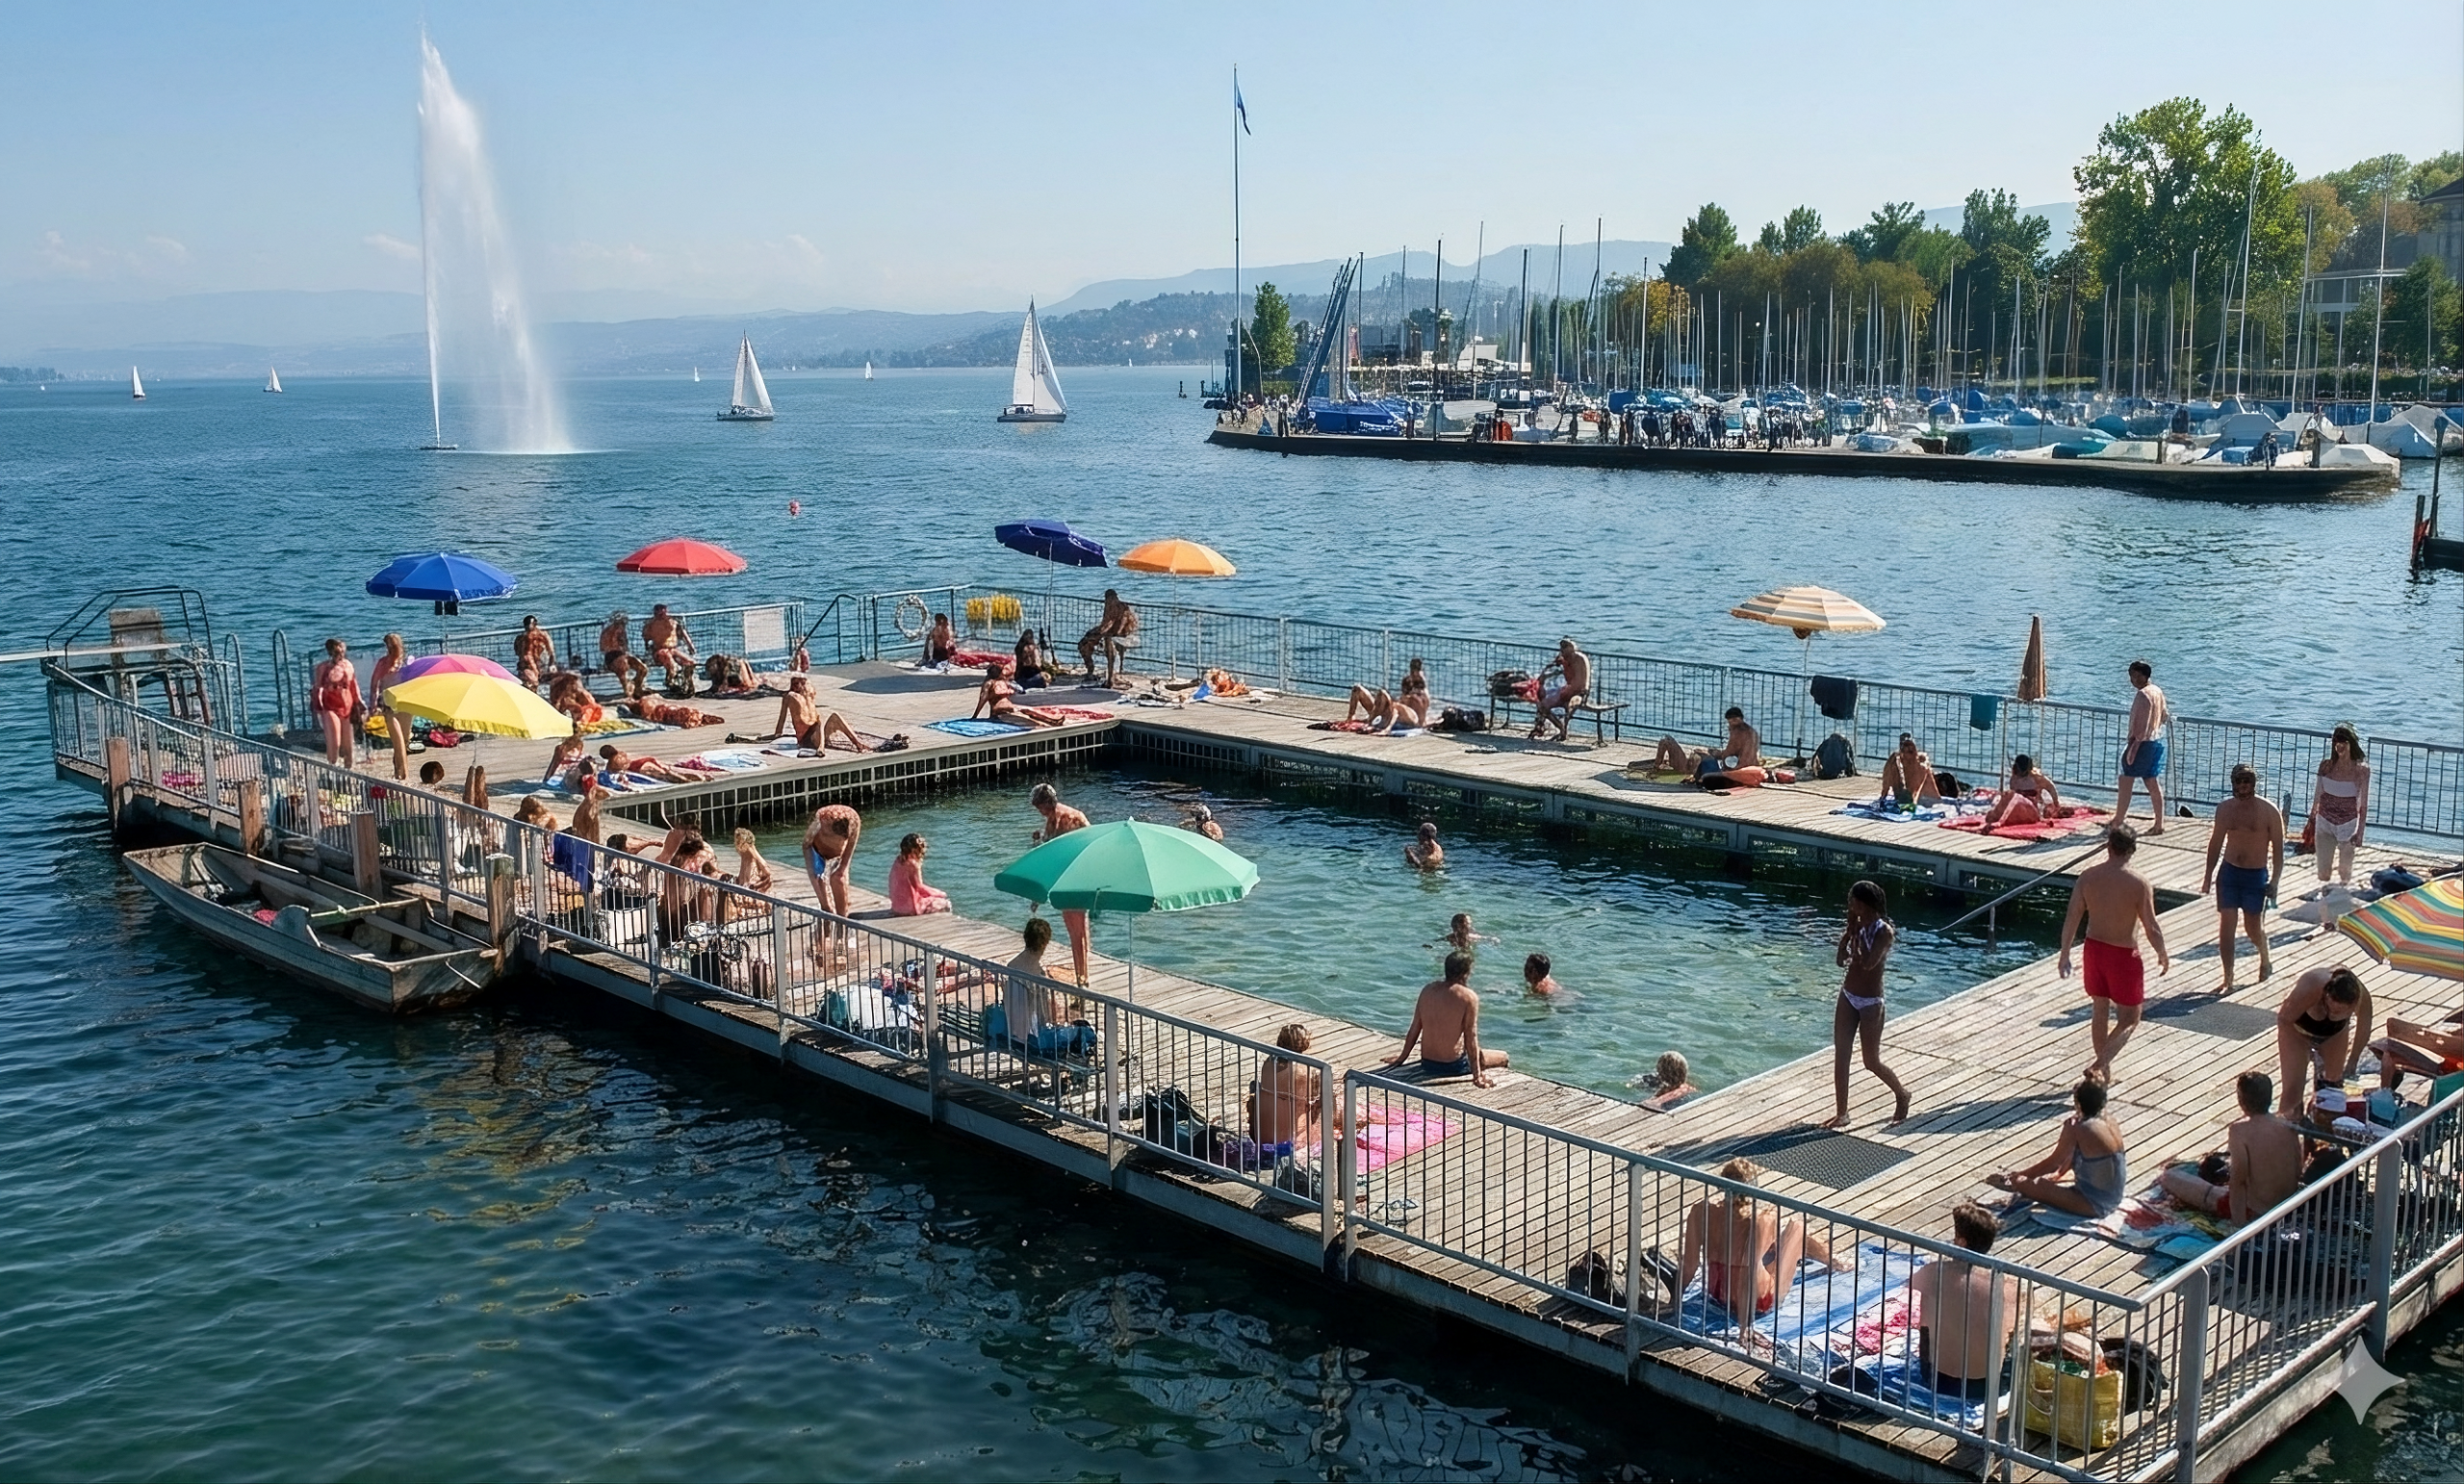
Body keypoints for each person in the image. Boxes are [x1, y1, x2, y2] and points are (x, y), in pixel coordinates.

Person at [2058, 825, 2170, 1085]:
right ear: (2132, 850)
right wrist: (2162, 952)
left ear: (2109, 847)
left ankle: (2104, 1073)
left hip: (2094, 949)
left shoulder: (2087, 877)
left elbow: (2072, 917)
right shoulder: (2138, 883)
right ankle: (2099, 1066)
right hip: (2123, 954)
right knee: (2130, 1018)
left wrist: (2065, 953)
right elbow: (2150, 926)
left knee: (2100, 1009)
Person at [1676, 1158, 1836, 1324]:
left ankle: (1828, 1257)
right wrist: (1744, 1327)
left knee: (1773, 1249)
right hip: (1759, 1301)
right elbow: (1750, 1272)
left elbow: (1689, 1265)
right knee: (1797, 1229)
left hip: (1718, 1294)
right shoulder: (1761, 1219)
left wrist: (1674, 1302)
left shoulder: (1700, 1211)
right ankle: (1834, 1261)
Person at [1905, 1204, 2021, 1401]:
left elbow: (1910, 1285)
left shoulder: (1934, 1272)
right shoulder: (2007, 1286)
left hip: (1937, 1379)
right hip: (1987, 1383)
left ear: (1961, 1241)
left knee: (1929, 1299)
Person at [2160, 1071, 2304, 1221]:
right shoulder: (2287, 1126)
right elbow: (2298, 1170)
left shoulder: (2239, 1131)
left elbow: (2238, 1182)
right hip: (2288, 1205)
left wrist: (2238, 1225)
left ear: (2241, 1100)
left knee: (2170, 1176)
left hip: (2257, 1212)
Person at [1827, 880, 1912, 1128]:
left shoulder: (1884, 932)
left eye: (1853, 901)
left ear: (1865, 903)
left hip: (1871, 1002)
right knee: (1841, 1054)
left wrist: (1857, 935)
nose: (1850, 906)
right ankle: (1842, 1113)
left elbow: (1868, 964)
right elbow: (1841, 961)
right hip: (1848, 995)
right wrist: (1846, 940)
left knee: (1870, 1061)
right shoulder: (1854, 926)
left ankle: (1901, 1093)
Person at [1985, 1078, 2129, 1216]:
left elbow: (2054, 1163)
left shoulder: (2077, 1127)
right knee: (2049, 1180)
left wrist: (2020, 1176)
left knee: (2027, 1185)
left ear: (2077, 1103)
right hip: (2115, 1196)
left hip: (2094, 1203)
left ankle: (2021, 1182)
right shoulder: (2110, 1120)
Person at [2201, 764, 2285, 993]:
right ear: (2233, 784)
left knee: (2252, 928)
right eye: (2239, 782)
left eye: (2246, 782)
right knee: (2227, 925)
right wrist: (2208, 876)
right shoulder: (2225, 809)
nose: (2242, 787)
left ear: (2254, 784)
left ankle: (2265, 957)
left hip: (2255, 875)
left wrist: (2275, 881)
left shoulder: (2269, 811)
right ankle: (2228, 977)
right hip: (2229, 872)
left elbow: (2278, 850)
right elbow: (2216, 844)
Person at [1382, 950, 1507, 1087]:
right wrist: (1476, 1075)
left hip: (1427, 1063)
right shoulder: (1469, 997)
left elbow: (1414, 1028)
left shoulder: (1427, 990)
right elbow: (1471, 1037)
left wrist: (1401, 1059)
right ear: (1466, 972)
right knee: (1503, 1057)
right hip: (1453, 1066)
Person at [2273, 965, 2372, 1119]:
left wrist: (2353, 1061)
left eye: (2338, 1012)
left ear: (2353, 1007)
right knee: (2293, 1091)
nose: (2331, 1013)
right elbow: (2283, 1019)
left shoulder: (2362, 998)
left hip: (2333, 1034)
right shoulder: (2313, 984)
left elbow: (2364, 1029)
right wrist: (2302, 1047)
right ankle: (2288, 1125)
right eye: (2328, 1007)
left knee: (2331, 1086)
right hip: (2296, 1030)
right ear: (2326, 995)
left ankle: (2321, 1125)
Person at [1003, 916, 1092, 1058]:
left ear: (1025, 938)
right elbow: (1046, 1020)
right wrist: (1066, 1016)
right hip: (1034, 1041)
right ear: (1045, 944)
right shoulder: (1039, 978)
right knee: (1086, 1032)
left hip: (1011, 1033)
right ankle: (1076, 1071)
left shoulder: (1011, 966)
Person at [1029, 782, 1091, 985]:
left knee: (1075, 933)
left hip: (1067, 880)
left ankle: (1082, 979)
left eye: (1039, 808)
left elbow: (1050, 858)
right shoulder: (1077, 815)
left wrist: (1038, 895)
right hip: (1082, 876)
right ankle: (1084, 973)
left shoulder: (1054, 820)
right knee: (1082, 930)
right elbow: (1091, 844)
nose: (1040, 813)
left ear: (1045, 804)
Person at [2308, 726, 2371, 891]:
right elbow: (2317, 795)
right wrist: (2311, 818)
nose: (2339, 745)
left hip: (2348, 824)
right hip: (2324, 821)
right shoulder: (2326, 766)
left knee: (2344, 873)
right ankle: (2324, 899)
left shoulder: (2361, 771)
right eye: (2336, 741)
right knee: (2323, 874)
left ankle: (2341, 901)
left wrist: (2360, 834)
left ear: (2352, 743)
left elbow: (2363, 804)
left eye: (2343, 741)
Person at [2111, 660, 2169, 832]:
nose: (2133, 680)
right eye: (2131, 676)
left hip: (2141, 743)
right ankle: (2159, 823)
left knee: (2126, 780)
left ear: (2145, 675)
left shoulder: (2143, 695)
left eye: (2136, 676)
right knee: (2152, 782)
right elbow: (2164, 715)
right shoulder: (2157, 691)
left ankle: (2118, 820)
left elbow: (2140, 727)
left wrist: (2133, 748)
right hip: (2156, 741)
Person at [1247, 1022, 1324, 1154]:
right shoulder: (1307, 1071)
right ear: (1305, 1044)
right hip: (1294, 1139)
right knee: (1327, 1100)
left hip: (1263, 1136)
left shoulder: (1269, 1063)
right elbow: (1315, 1100)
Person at [1653, 707, 1760, 779]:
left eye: (1730, 723)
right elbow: (1736, 754)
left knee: (1666, 741)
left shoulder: (1737, 732)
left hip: (1725, 769)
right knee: (1700, 753)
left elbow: (1726, 755)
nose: (1729, 726)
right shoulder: (1752, 732)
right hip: (1737, 767)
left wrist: (1712, 753)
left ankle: (1655, 768)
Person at [2370, 1016, 2464, 1096]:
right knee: (2391, 1037)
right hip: (2450, 1054)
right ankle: (2385, 1092)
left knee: (2390, 1047)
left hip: (2454, 1065)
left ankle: (2384, 1095)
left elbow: (2455, 1047)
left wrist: (2431, 1039)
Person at [772, 676, 867, 752]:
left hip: (816, 734)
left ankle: (857, 743)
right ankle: (821, 748)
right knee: (819, 722)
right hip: (807, 739)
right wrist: (777, 734)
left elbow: (781, 723)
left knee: (835, 717)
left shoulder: (804, 693)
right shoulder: (792, 696)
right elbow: (782, 719)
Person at [803, 802, 861, 920]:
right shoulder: (821, 820)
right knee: (819, 877)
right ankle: (826, 907)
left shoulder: (854, 820)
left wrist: (843, 866)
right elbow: (806, 845)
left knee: (839, 876)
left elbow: (850, 849)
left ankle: (843, 915)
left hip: (840, 841)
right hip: (817, 849)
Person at [309, 637, 361, 767]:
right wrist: (317, 707)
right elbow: (318, 688)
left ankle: (349, 771)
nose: (341, 655)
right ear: (331, 652)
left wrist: (359, 703)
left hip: (347, 706)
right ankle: (332, 766)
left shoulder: (348, 665)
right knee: (335, 742)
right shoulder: (323, 668)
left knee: (348, 745)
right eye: (338, 652)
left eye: (343, 652)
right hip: (330, 706)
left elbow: (353, 685)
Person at [1528, 638, 1591, 742]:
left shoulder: (1578, 659)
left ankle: (1561, 729)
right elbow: (1554, 667)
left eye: (1564, 650)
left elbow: (1579, 684)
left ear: (1571, 649)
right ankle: (1545, 726)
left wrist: (1565, 693)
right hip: (1568, 689)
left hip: (1578, 691)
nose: (1562, 653)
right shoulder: (1566, 659)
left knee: (1544, 705)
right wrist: (1551, 667)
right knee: (1540, 700)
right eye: (1561, 650)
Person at [1981, 755, 2060, 833]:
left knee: (2014, 796)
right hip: (2017, 809)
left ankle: (1999, 818)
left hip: (2031, 810)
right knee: (2008, 796)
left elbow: (2051, 787)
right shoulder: (2014, 778)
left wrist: (2056, 802)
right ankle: (1999, 815)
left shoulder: (2036, 778)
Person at [974, 663, 1066, 728]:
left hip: (1009, 705)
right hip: (999, 708)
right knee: (1027, 711)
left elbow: (1018, 689)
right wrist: (975, 716)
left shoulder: (1003, 681)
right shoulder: (989, 683)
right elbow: (982, 699)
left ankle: (1051, 721)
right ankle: (1051, 721)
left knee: (1029, 711)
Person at [370, 632, 409, 779]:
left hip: (405, 704)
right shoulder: (383, 663)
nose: (391, 648)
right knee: (398, 741)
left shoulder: (406, 663)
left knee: (404, 742)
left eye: (393, 645)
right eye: (388, 646)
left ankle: (397, 772)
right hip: (388, 705)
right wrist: (373, 704)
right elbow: (375, 684)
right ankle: (404, 776)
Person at [888, 832, 953, 915]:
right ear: (916, 849)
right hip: (911, 907)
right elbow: (919, 887)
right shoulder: (913, 865)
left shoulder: (898, 860)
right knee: (946, 902)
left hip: (897, 906)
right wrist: (940, 893)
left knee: (931, 897)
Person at [1875, 734, 1941, 809]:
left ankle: (1929, 801)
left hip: (1913, 796)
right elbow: (1886, 783)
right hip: (1905, 796)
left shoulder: (1920, 764)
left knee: (1924, 767)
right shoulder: (1894, 761)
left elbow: (1886, 785)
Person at [642, 604, 695, 687]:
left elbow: (684, 634)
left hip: (673, 649)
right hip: (660, 650)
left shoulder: (674, 622)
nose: (661, 615)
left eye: (663, 612)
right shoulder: (651, 624)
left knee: (691, 662)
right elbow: (646, 638)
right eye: (659, 612)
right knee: (672, 664)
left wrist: (691, 647)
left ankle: (687, 682)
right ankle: (671, 682)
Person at [597, 611, 646, 698]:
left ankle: (637, 687)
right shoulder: (607, 632)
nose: (623, 624)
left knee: (643, 669)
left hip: (623, 654)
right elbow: (603, 648)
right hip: (612, 656)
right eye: (621, 622)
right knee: (622, 667)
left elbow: (625, 647)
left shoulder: (622, 631)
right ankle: (627, 690)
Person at [514, 615, 553, 689]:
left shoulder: (542, 635)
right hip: (528, 666)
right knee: (533, 683)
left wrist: (551, 663)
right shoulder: (521, 638)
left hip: (538, 664)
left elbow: (551, 651)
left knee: (535, 683)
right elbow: (524, 655)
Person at [731, 827, 774, 893]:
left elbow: (768, 873)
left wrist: (755, 886)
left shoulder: (752, 854)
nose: (736, 844)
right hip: (744, 890)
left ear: (744, 843)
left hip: (752, 891)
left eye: (738, 842)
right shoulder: (744, 855)